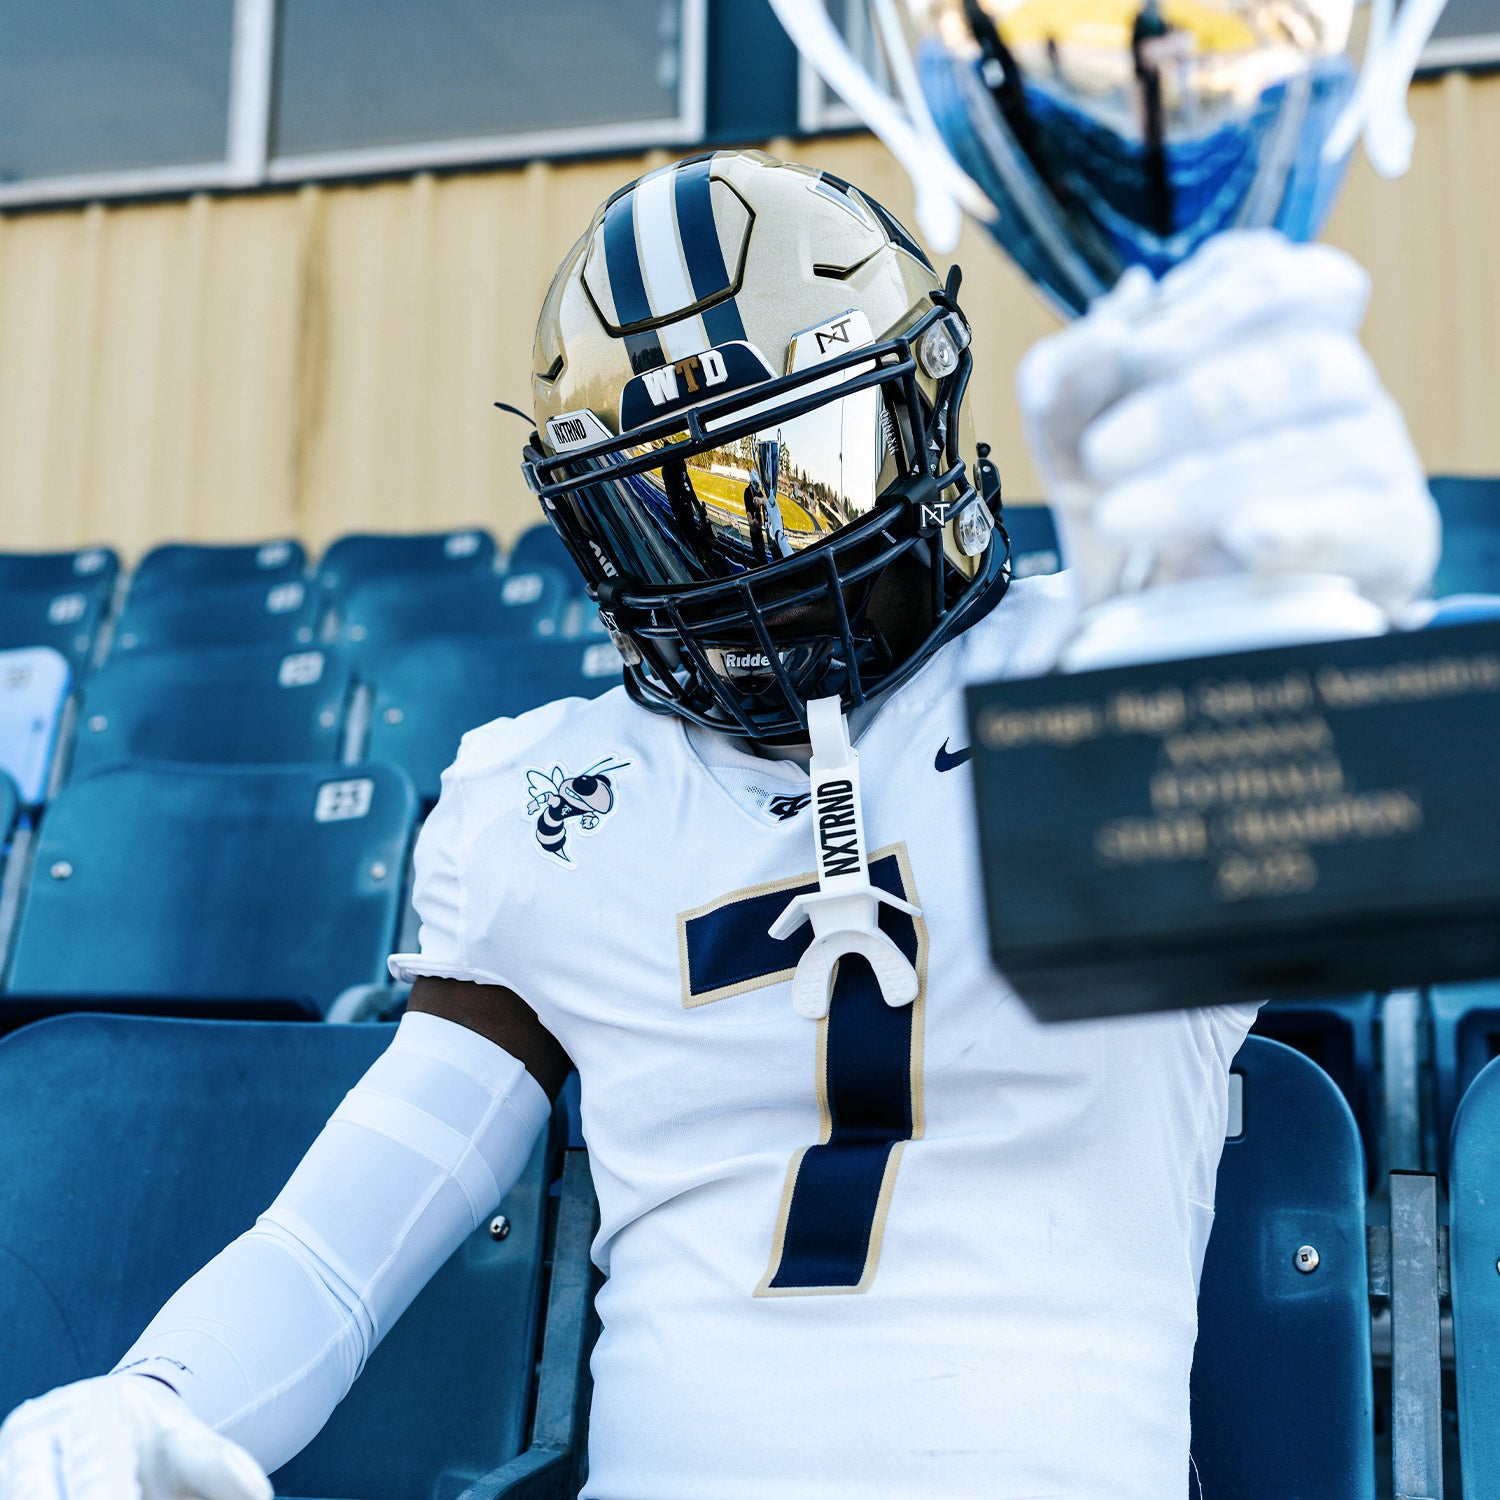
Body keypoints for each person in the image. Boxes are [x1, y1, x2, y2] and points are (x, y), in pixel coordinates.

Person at [0, 148, 1436, 1500]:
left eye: (803, 461)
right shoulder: (553, 804)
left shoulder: (1099, 684)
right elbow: (333, 1248)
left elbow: (1415, 851)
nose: (752, 543)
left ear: (924, 406)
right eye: (667, 501)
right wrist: (156, 1403)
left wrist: (1326, 635)